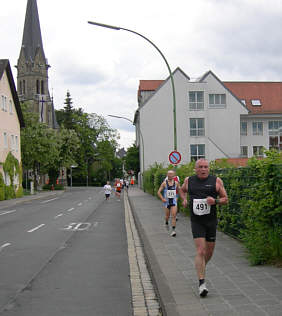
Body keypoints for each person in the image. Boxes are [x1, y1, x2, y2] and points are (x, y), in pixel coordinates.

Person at [180, 158, 228, 297]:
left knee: (209, 252)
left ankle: (199, 266)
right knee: (200, 250)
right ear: (195, 168)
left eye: (205, 167)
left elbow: (226, 199)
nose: (203, 169)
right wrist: (183, 199)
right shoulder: (189, 181)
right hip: (197, 221)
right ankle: (202, 283)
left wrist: (216, 201)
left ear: (209, 168)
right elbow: (182, 190)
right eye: (200, 167)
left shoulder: (216, 181)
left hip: (211, 221)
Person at [157, 170, 181, 237]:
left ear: (174, 175)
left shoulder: (176, 183)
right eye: (169, 174)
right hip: (167, 202)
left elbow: (179, 191)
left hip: (174, 202)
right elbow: (158, 192)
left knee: (173, 216)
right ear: (167, 175)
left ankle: (173, 231)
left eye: (171, 174)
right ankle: (166, 223)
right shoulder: (164, 183)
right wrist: (162, 199)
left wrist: (177, 198)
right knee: (167, 216)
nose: (170, 175)